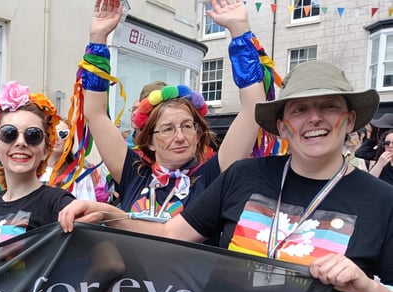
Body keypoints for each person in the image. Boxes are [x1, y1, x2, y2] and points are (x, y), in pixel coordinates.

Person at [59, 59, 393, 292]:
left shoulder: (381, 202)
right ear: (283, 125)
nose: (313, 118)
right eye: (300, 109)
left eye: (328, 106)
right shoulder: (244, 177)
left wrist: (366, 286)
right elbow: (171, 233)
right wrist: (109, 215)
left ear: (349, 120)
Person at [80, 0, 267, 222]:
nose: (180, 137)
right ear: (149, 140)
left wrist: (240, 32)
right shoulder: (133, 175)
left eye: (187, 126)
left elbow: (252, 110)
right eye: (167, 129)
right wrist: (98, 40)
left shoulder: (211, 177)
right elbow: (96, 114)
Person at [0, 80, 74, 268]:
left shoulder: (58, 203)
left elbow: (107, 264)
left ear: (45, 150)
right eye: (9, 133)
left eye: (33, 135)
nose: (21, 142)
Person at [40, 117, 98, 201]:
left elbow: (87, 208)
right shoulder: (32, 169)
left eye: (63, 134)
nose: (56, 138)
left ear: (70, 141)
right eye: (52, 133)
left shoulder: (79, 174)